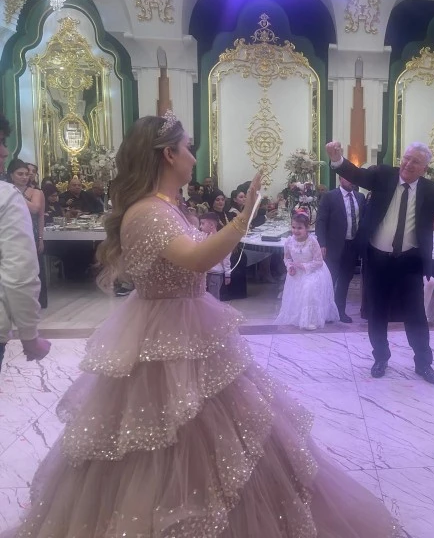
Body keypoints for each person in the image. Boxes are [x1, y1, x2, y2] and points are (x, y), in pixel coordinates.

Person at [8, 113, 401, 537]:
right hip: (165, 330)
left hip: (186, 323)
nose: (194, 158)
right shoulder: (148, 212)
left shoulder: (164, 206)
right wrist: (245, 213)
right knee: (167, 433)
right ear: (168, 154)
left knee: (223, 428)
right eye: (188, 148)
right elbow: (198, 259)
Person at [326, 140, 434, 384]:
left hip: (409, 260)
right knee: (376, 312)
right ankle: (381, 357)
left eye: (416, 161)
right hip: (377, 258)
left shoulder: (429, 190)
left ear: (424, 168)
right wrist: (337, 159)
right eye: (406, 158)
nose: (408, 164)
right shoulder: (383, 176)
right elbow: (357, 174)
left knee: (416, 314)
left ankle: (423, 363)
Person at [0, 141, 51, 371]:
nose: (5, 151)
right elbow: (19, 271)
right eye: (1, 142)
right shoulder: (7, 196)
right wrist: (29, 335)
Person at [275, 211, 340, 330]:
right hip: (296, 273)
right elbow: (287, 258)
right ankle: (298, 317)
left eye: (299, 228)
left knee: (309, 289)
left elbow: (319, 262)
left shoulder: (312, 242)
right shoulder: (289, 241)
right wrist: (289, 267)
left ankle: (311, 319)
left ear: (307, 228)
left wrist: (303, 266)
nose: (296, 231)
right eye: (293, 227)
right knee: (297, 295)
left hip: (313, 271)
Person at [315, 176, 365, 323]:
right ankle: (325, 312)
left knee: (345, 280)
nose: (351, 180)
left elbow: (362, 220)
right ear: (340, 178)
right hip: (333, 246)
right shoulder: (329, 197)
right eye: (348, 177)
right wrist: (322, 243)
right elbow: (321, 221)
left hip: (352, 246)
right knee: (330, 279)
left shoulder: (360, 197)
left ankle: (340, 311)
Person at [7, 159, 47, 308]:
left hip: (31, 233)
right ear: (11, 175)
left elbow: (37, 210)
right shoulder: (5, 191)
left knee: (33, 269)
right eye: (20, 174)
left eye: (26, 174)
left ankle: (36, 301)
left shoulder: (36, 192)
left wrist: (41, 238)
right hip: (11, 234)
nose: (24, 177)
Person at [199, 212, 231, 299]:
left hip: (215, 274)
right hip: (205, 272)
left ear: (212, 225)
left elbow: (226, 257)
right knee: (204, 298)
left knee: (214, 298)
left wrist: (227, 274)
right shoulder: (203, 237)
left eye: (202, 223)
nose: (200, 226)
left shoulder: (220, 240)